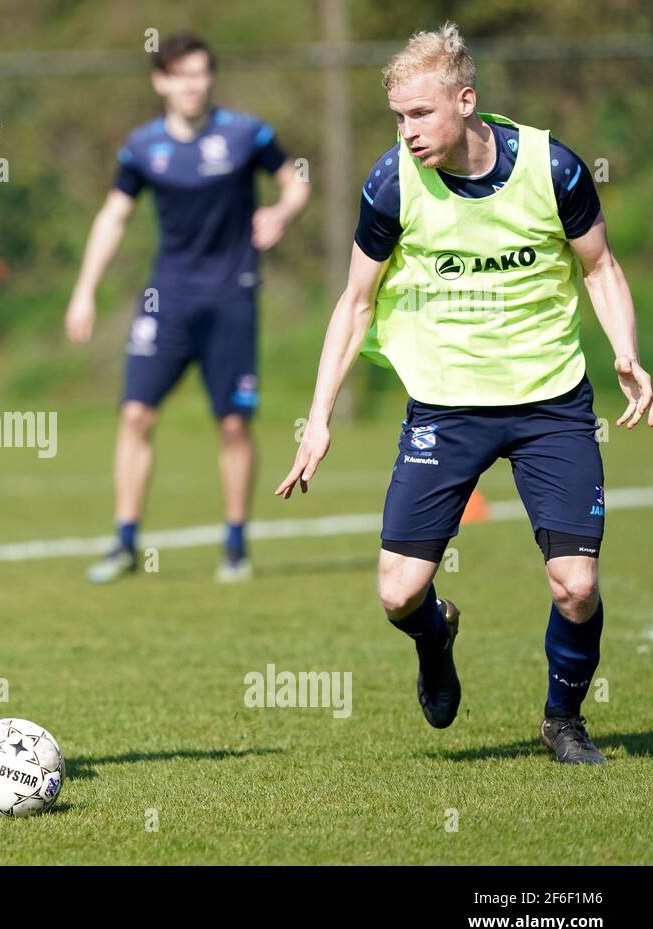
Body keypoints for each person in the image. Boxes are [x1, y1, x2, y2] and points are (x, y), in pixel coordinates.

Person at [276, 23, 650, 764]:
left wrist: (627, 353)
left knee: (575, 585)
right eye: (397, 117)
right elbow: (355, 302)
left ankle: (564, 720)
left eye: (419, 113)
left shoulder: (555, 168)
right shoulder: (391, 184)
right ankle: (435, 636)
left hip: (551, 404)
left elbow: (600, 269)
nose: (406, 131)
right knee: (397, 594)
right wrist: (316, 419)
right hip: (446, 408)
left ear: (465, 100)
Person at [65, 32, 309, 584]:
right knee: (135, 413)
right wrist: (84, 290)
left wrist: (281, 213)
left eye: (201, 73)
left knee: (232, 424)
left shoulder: (246, 134)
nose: (193, 84)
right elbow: (113, 217)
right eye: (181, 74)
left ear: (209, 78)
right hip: (166, 299)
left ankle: (235, 545)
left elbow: (295, 181)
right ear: (162, 82)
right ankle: (126, 541)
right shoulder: (142, 147)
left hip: (231, 297)